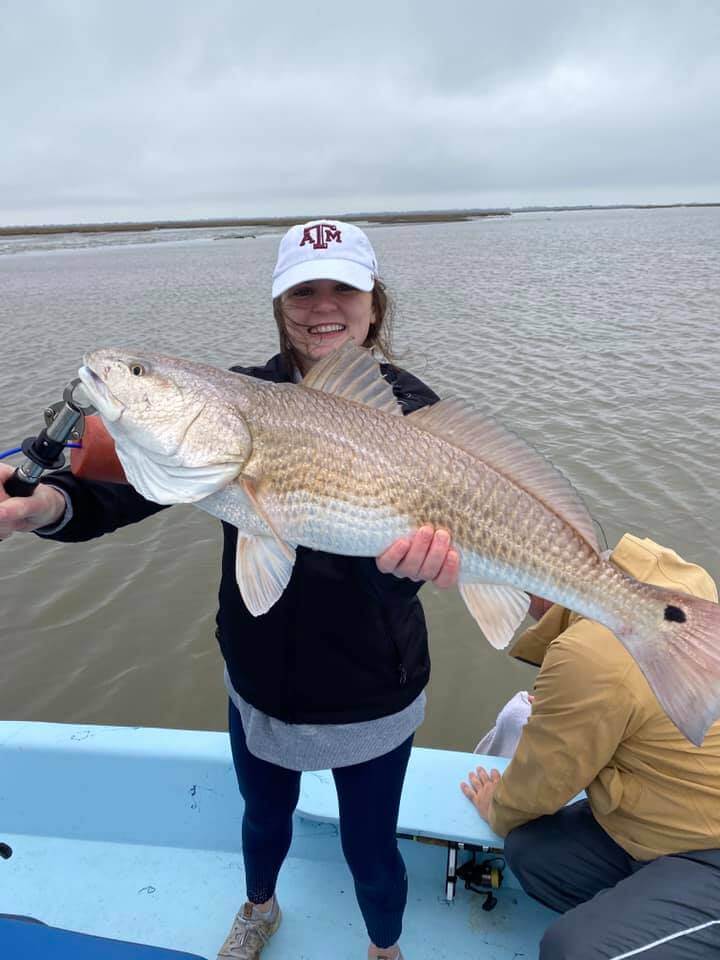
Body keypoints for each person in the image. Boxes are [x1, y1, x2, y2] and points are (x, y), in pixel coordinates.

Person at [0, 220, 460, 960]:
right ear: (279, 303)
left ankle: (384, 947)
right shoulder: (234, 397)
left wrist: (400, 574)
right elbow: (134, 489)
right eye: (302, 290)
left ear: (374, 301)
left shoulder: (415, 412)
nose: (322, 306)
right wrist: (43, 508)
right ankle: (259, 908)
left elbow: (398, 585)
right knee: (262, 818)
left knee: (371, 848)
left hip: (375, 683)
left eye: (342, 287)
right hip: (260, 674)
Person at [460, 533, 720, 959]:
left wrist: (496, 805)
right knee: (531, 854)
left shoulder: (587, 654)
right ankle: (654, 924)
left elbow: (535, 791)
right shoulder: (663, 576)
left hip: (708, 850)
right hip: (660, 823)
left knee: (571, 950)